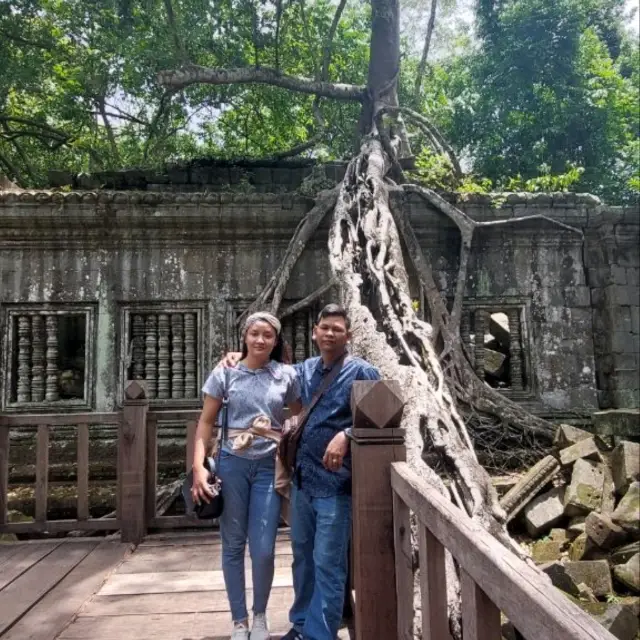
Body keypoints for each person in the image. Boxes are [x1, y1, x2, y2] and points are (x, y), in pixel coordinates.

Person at [223, 304, 380, 640]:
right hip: (303, 481)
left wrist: (347, 434)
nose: (329, 333)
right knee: (302, 558)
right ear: (314, 332)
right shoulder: (303, 371)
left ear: (348, 335)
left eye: (337, 329)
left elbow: (384, 414)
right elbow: (266, 369)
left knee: (328, 562)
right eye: (324, 327)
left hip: (336, 483)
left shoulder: (362, 372)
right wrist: (237, 355)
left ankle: (321, 633)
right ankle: (301, 624)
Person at [192, 312, 302, 640]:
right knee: (233, 544)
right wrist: (199, 467)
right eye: (254, 334)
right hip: (231, 463)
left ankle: (260, 617)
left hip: (269, 465)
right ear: (245, 336)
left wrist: (284, 436)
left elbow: (298, 416)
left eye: (267, 335)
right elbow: (206, 423)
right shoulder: (225, 373)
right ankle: (239, 621)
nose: (260, 340)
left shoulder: (286, 375)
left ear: (275, 340)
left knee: (265, 547)